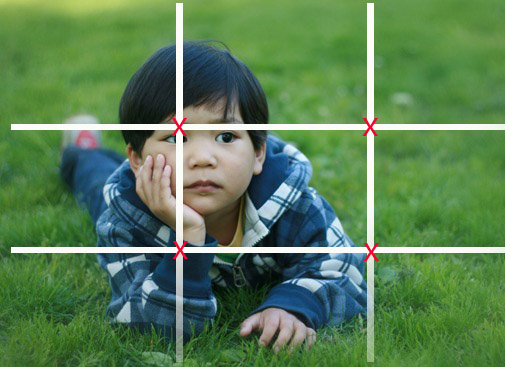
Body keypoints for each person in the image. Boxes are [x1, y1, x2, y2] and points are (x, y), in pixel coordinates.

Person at [60, 41, 368, 354]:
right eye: (176, 137)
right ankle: (83, 150)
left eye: (225, 136)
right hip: (148, 200)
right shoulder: (125, 223)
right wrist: (189, 238)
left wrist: (295, 305)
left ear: (258, 153)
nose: (203, 158)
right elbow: (151, 327)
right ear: (137, 160)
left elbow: (343, 270)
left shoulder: (294, 204)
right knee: (96, 183)